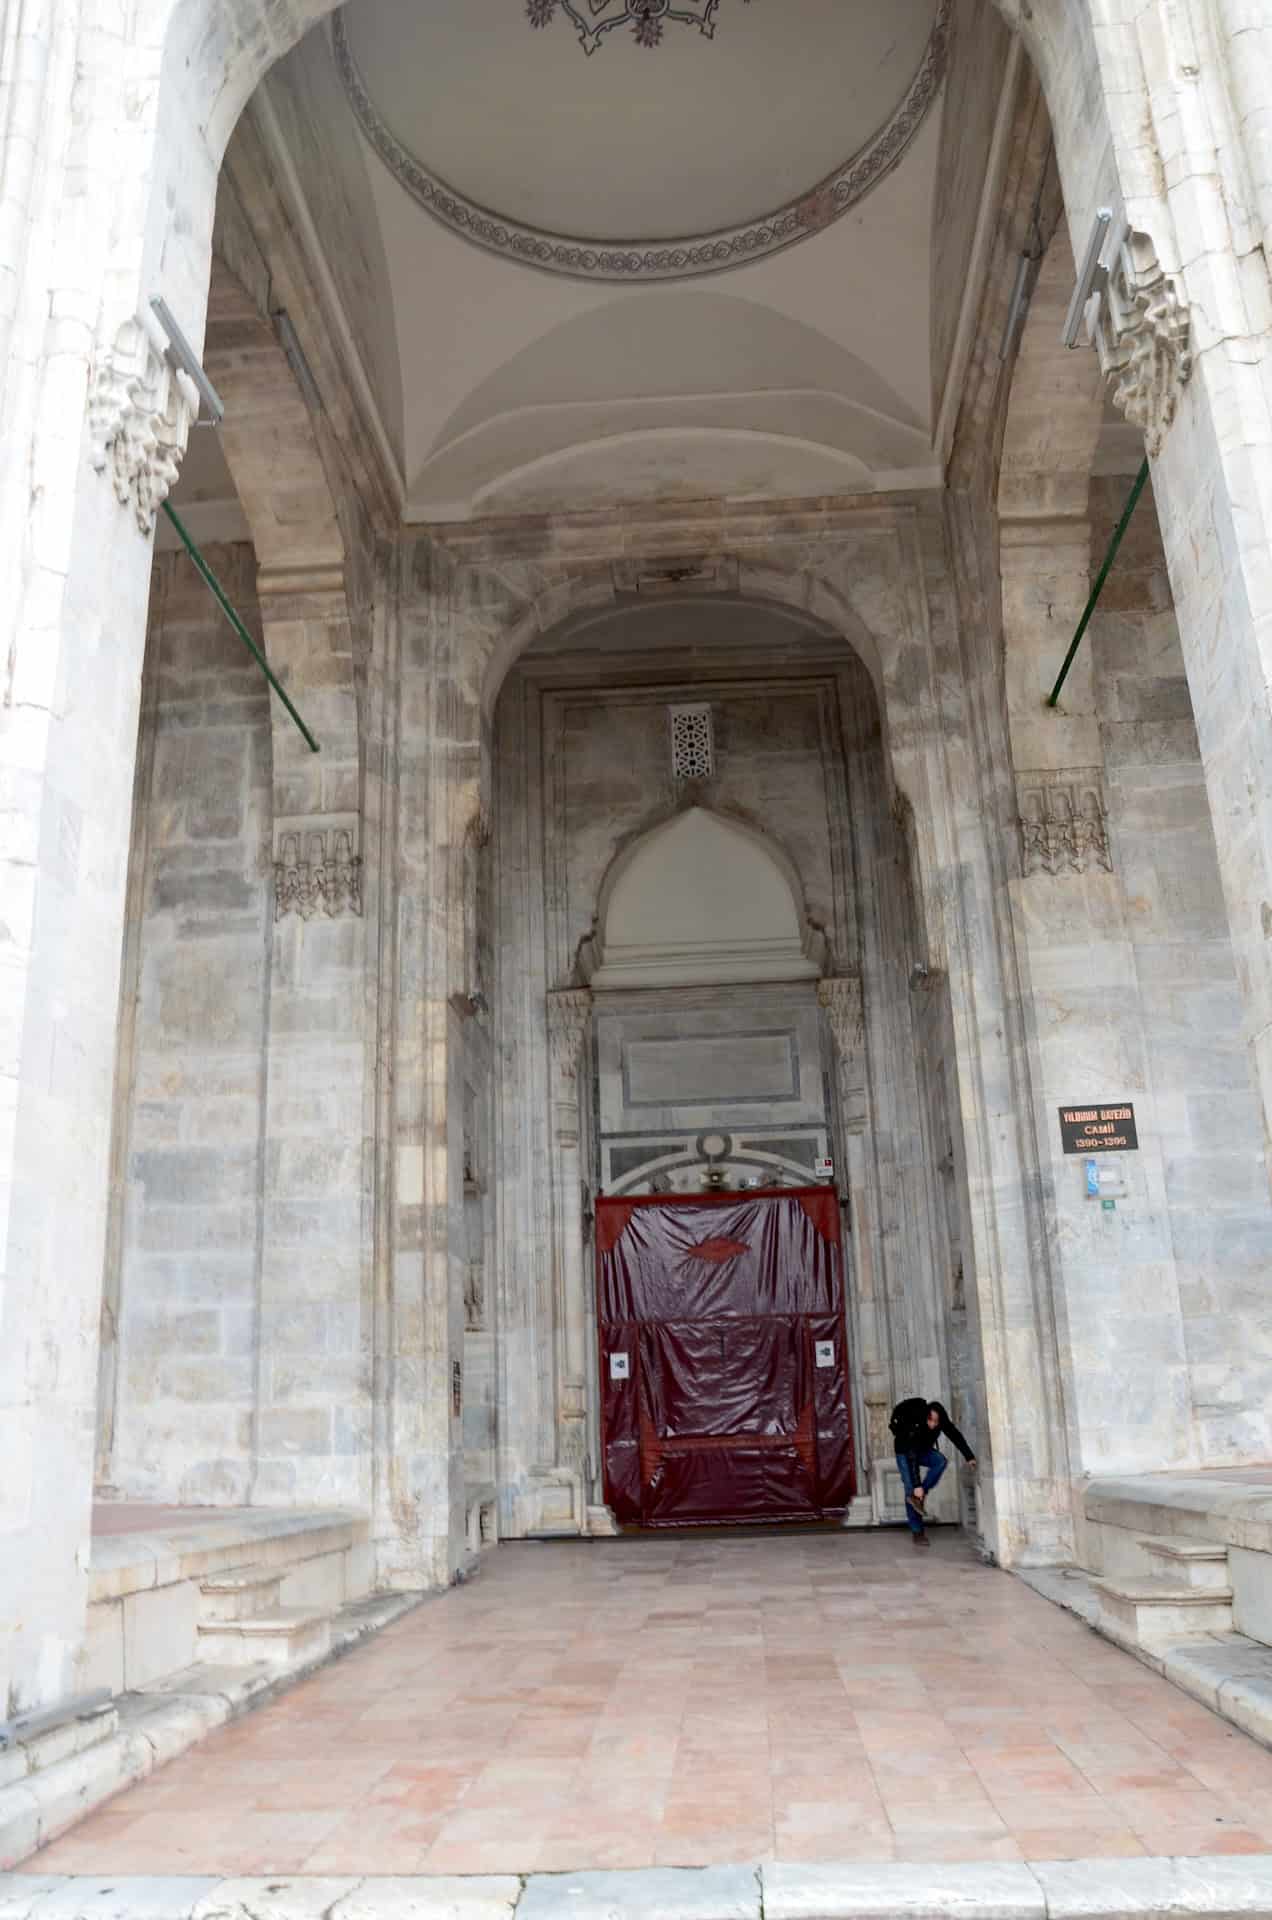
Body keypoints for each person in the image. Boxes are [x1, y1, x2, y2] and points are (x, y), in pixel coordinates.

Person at [889, 1397, 977, 1548]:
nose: (932, 1424)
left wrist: (969, 1456)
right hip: (905, 1452)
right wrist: (917, 1485)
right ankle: (917, 1532)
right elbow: (912, 1457)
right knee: (911, 1489)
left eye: (936, 1422)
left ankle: (919, 1496)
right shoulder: (916, 1422)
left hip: (922, 1449)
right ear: (925, 1416)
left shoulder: (941, 1422)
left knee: (940, 1461)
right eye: (930, 1420)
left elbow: (955, 1435)